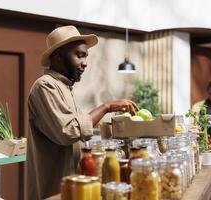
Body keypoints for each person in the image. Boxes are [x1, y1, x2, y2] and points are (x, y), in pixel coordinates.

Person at [27, 25, 138, 200]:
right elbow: (68, 131)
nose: (85, 63)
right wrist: (106, 107)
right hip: (55, 186)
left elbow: (80, 130)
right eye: (79, 55)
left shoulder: (64, 86)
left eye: (86, 56)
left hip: (73, 182)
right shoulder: (45, 86)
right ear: (57, 56)